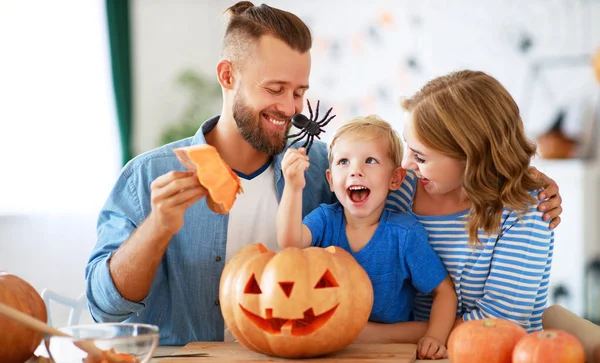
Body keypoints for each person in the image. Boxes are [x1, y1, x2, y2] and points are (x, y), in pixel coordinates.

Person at [85, 2, 563, 346]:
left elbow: (411, 163)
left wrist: (523, 177)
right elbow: (104, 310)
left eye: (300, 92)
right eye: (275, 88)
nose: (290, 109)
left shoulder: (322, 169)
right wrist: (158, 228)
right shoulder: (152, 175)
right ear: (227, 76)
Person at [359, 70, 555, 344]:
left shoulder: (524, 212)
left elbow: (496, 324)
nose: (405, 164)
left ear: (470, 158)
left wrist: (373, 335)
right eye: (407, 146)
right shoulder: (401, 191)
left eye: (421, 157)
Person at [277, 115, 457, 359]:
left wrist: (434, 337)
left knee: (433, 330)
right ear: (330, 181)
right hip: (327, 347)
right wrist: (293, 186)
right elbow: (290, 244)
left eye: (370, 161)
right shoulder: (324, 219)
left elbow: (444, 292)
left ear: (395, 178)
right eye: (343, 162)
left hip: (388, 350)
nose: (355, 172)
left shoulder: (405, 234)